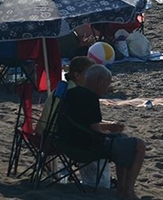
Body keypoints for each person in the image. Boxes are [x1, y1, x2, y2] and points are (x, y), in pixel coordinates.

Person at [57, 64, 146, 199]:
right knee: (139, 145)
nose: (107, 89)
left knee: (123, 138)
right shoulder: (90, 97)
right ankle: (128, 191)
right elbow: (96, 132)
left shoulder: (70, 92)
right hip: (86, 148)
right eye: (107, 84)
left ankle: (121, 189)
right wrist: (108, 134)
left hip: (67, 143)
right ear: (100, 81)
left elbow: (80, 123)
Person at [35, 56, 96, 135]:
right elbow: (84, 125)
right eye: (90, 73)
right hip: (55, 137)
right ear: (77, 76)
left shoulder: (63, 88)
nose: (93, 76)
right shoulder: (75, 94)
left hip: (43, 132)